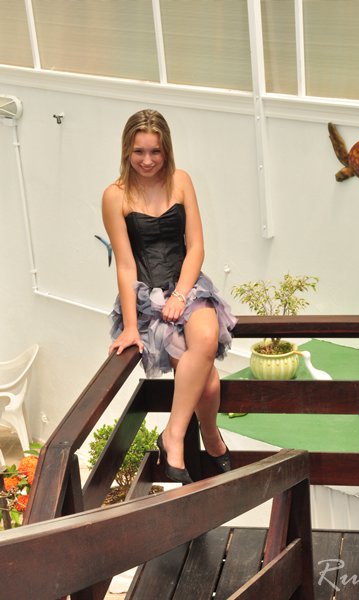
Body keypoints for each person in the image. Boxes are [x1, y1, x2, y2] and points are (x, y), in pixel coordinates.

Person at [102, 109, 237, 484]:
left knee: (206, 337)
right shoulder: (115, 196)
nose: (147, 160)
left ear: (166, 150)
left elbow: (196, 246)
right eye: (139, 151)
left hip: (189, 286)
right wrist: (131, 326)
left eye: (155, 152)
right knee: (208, 384)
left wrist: (181, 293)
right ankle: (211, 435)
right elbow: (125, 265)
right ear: (127, 150)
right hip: (148, 297)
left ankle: (173, 436)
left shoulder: (181, 181)